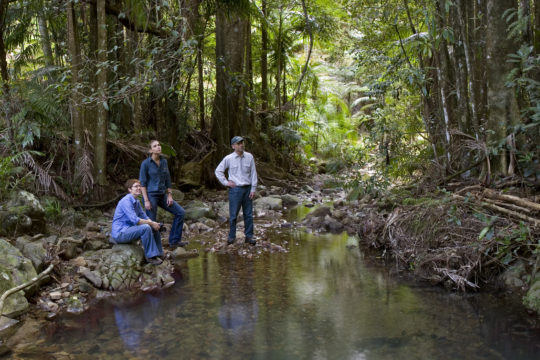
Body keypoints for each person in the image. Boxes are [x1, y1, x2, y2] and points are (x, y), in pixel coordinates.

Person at [139, 140, 187, 248]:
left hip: (162, 195)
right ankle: (154, 248)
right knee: (152, 222)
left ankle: (174, 241)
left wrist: (169, 194)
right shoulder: (145, 164)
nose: (158, 147)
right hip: (151, 195)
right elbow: (143, 183)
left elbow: (168, 179)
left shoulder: (164, 162)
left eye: (159, 145)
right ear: (151, 150)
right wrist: (146, 200)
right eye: (155, 146)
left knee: (180, 212)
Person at [215, 136, 258, 245]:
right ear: (233, 146)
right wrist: (226, 182)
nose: (241, 145)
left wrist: (253, 189)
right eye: (238, 143)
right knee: (233, 215)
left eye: (242, 143)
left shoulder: (249, 157)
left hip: (248, 188)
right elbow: (218, 171)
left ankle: (249, 236)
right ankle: (231, 237)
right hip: (235, 190)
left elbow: (253, 174)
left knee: (248, 215)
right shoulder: (228, 158)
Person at [111, 179, 163, 265]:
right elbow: (136, 220)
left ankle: (159, 254)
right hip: (120, 233)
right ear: (129, 189)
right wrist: (151, 223)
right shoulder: (126, 201)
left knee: (154, 227)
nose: (139, 188)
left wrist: (154, 224)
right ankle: (150, 257)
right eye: (136, 186)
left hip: (129, 229)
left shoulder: (136, 202)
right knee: (146, 227)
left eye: (139, 186)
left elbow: (144, 216)